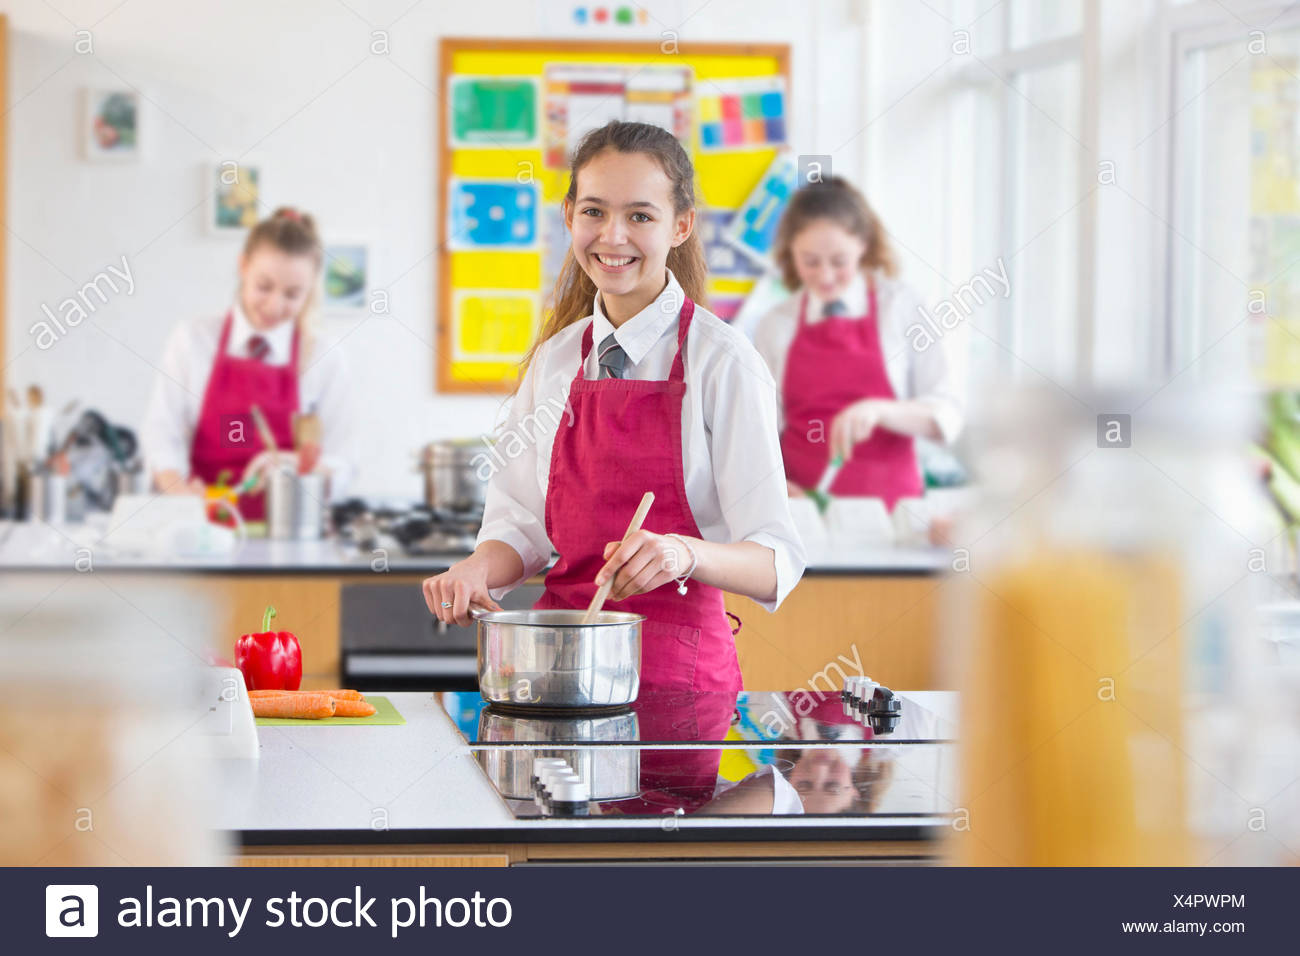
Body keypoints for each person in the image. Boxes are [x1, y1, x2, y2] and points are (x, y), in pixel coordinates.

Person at [422, 120, 805, 695]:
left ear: (682, 226)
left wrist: (681, 553)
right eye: (595, 212)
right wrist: (479, 567)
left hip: (677, 680)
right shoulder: (554, 362)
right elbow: (520, 528)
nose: (613, 236)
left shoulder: (722, 362)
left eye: (641, 216)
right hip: (556, 671)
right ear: (569, 216)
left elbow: (776, 560)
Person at [753, 178, 964, 510]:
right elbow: (759, 429)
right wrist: (775, 485)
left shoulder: (904, 307)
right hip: (804, 513)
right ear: (791, 252)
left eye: (839, 261)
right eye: (810, 261)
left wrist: (880, 410)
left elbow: (946, 413)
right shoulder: (775, 324)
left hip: (893, 513)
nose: (825, 276)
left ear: (863, 246)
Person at [140, 208, 353, 519]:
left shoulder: (324, 356)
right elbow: (161, 436)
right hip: (203, 530)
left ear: (310, 290)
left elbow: (343, 461)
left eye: (293, 294)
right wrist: (182, 496)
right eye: (264, 287)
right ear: (243, 266)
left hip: (292, 532)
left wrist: (293, 465)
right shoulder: (193, 339)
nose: (275, 305)